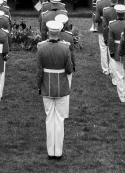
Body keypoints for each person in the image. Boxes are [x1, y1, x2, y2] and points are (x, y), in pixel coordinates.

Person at [36, 18, 73, 159]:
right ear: (59, 33)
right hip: (62, 87)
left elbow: (39, 71)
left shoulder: (41, 47)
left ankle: (51, 151)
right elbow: (69, 69)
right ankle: (58, 152)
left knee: (49, 119)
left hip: (46, 87)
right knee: (59, 119)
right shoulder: (65, 48)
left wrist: (39, 86)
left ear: (48, 33)